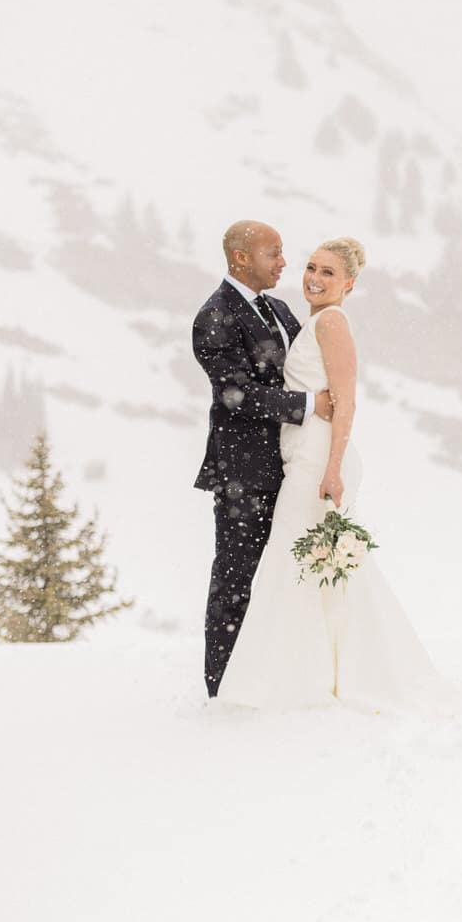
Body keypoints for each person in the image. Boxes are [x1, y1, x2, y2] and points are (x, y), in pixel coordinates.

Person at [216, 238, 442, 711]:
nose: (314, 278)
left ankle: (296, 681)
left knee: (293, 566)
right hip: (304, 457)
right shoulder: (314, 320)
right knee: (311, 570)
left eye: (329, 273)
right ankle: (314, 673)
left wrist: (334, 468)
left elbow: (346, 401)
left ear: (349, 284)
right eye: (311, 267)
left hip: (320, 462)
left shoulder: (333, 322)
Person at [191, 220, 333, 698]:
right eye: (274, 253)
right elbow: (237, 394)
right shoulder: (214, 316)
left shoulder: (279, 309)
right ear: (240, 259)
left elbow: (303, 362)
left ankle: (275, 677)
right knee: (236, 578)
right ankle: (223, 688)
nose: (283, 263)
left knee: (282, 577)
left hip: (291, 465)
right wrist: (311, 406)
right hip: (243, 474)